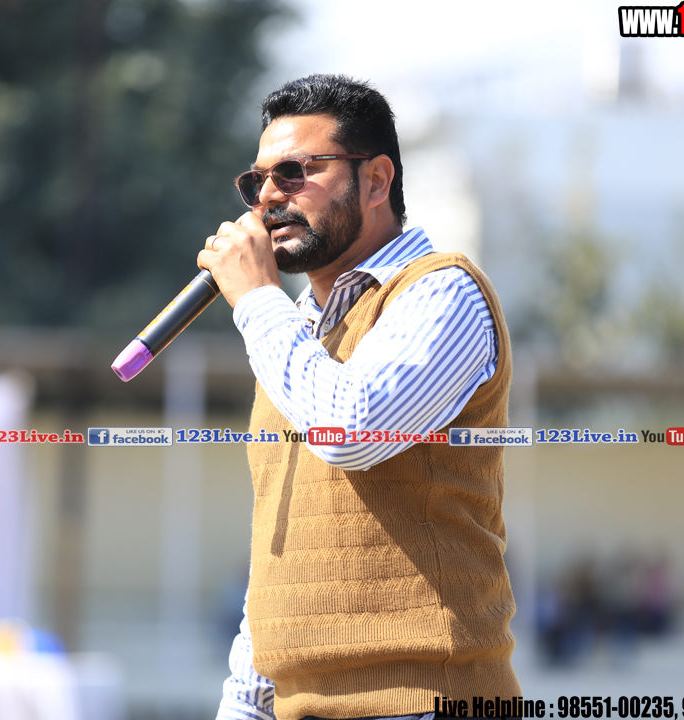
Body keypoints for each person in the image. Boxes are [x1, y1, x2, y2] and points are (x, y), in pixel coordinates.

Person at [198, 74, 521, 720]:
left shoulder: (442, 292)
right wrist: (245, 705)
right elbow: (279, 555)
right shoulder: (293, 337)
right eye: (256, 181)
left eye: (295, 172)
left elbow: (352, 431)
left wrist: (258, 300)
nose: (268, 197)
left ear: (375, 181)